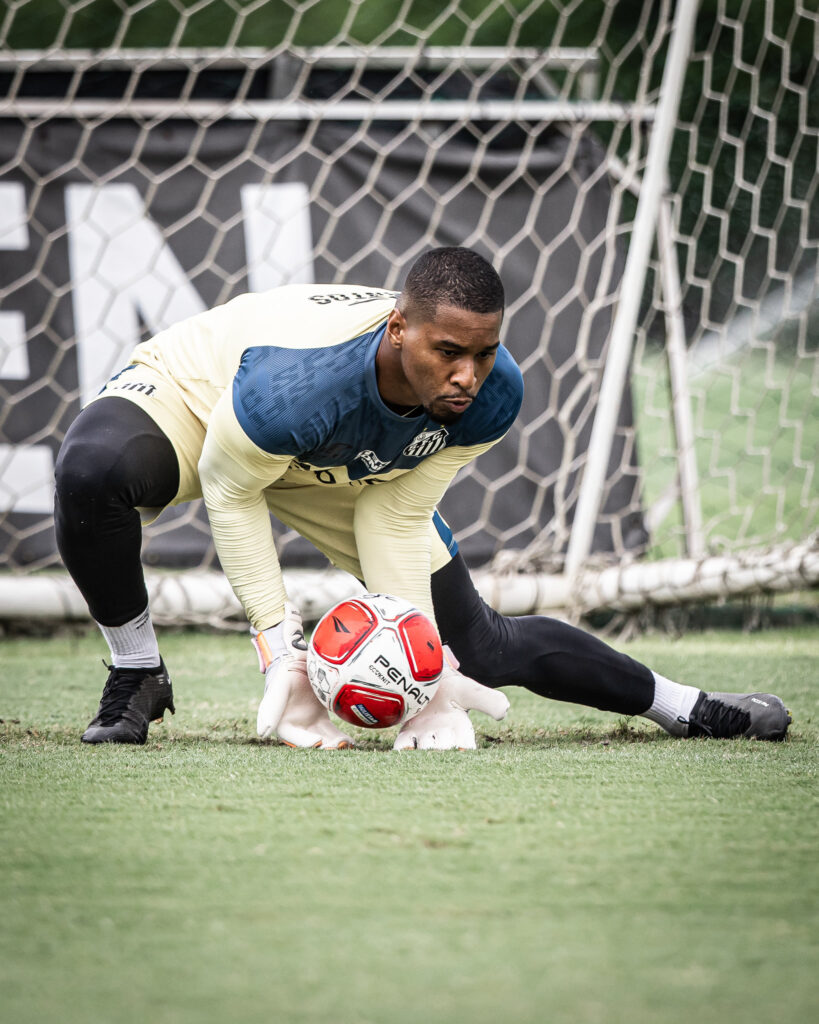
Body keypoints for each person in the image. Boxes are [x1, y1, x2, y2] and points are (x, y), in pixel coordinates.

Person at [54, 247, 791, 748]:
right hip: (204, 401)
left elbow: (394, 513)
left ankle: (684, 706)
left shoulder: (493, 395)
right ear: (398, 329)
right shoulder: (294, 385)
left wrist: (427, 673)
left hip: (337, 462)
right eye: (448, 352)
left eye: (483, 352)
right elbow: (231, 487)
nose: (467, 374)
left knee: (478, 649)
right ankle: (136, 672)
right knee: (93, 469)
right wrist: (281, 652)